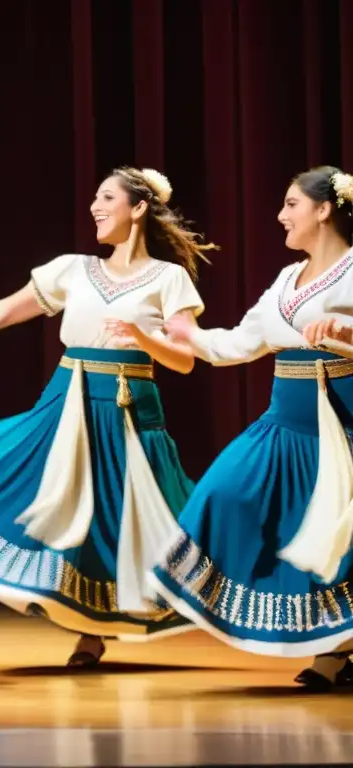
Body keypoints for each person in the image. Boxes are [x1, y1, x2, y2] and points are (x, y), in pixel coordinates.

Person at [0, 168, 217, 666]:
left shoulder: (169, 279)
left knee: (125, 518)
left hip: (129, 409)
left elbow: (184, 360)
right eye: (95, 198)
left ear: (138, 208)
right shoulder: (72, 270)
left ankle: (117, 623)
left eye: (107, 198)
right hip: (69, 401)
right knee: (60, 505)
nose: (95, 207)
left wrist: (143, 339)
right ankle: (88, 632)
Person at [150, 165, 353, 690]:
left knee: (336, 539)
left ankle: (334, 655)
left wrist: (345, 332)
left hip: (341, 428)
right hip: (284, 425)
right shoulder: (288, 279)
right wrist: (187, 333)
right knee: (224, 493)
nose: (281, 215)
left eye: (291, 204)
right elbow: (237, 345)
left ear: (324, 209)